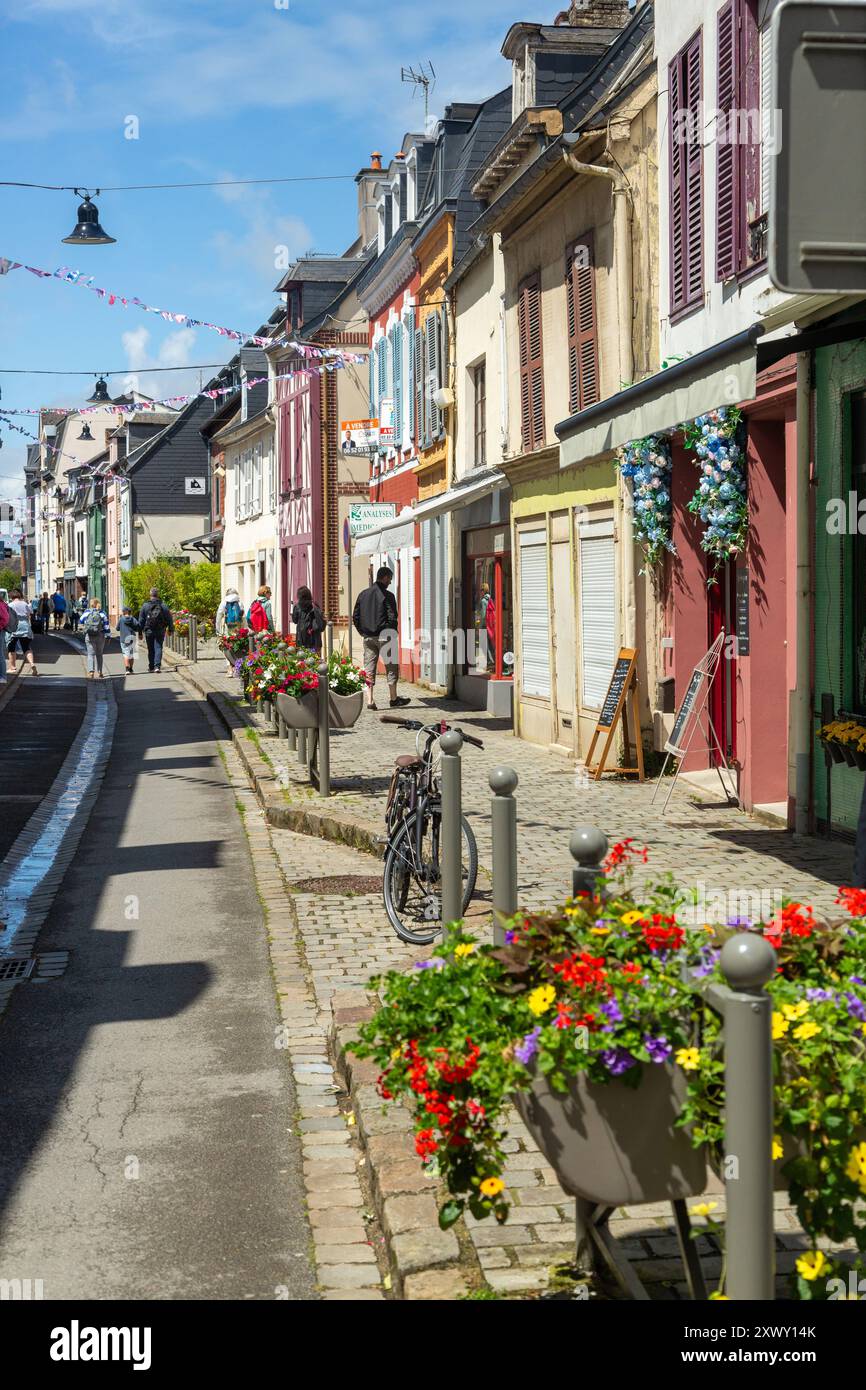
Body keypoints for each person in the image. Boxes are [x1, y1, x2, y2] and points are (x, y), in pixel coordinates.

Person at [352, 566, 410, 711]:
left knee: (369, 668)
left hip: (368, 637)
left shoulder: (362, 594)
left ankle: (370, 700)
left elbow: (355, 616)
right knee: (391, 666)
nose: (390, 582)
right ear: (384, 577)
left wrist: (363, 632)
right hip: (385, 636)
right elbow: (392, 616)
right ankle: (393, 698)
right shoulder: (388, 596)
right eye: (389, 578)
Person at [138, 587, 174, 673]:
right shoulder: (163, 605)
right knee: (158, 647)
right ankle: (157, 666)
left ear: (150, 594)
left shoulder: (145, 605)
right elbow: (169, 618)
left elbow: (141, 620)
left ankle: (151, 667)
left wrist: (140, 632)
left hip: (148, 630)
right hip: (160, 630)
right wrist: (170, 629)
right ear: (158, 595)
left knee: (150, 649)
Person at [216, 586, 244, 671]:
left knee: (227, 646)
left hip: (228, 628)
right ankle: (236, 665)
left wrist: (218, 631)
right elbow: (243, 616)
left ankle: (229, 667)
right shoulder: (239, 602)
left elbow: (219, 616)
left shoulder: (224, 602)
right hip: (238, 628)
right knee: (236, 646)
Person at [80, 597, 109, 679]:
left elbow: (81, 620)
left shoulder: (87, 612)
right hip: (100, 635)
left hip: (89, 635)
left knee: (90, 654)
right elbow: (106, 624)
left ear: (91, 604)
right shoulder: (102, 613)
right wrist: (108, 635)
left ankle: (91, 672)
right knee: (99, 654)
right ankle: (100, 672)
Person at [292, 586, 326, 654]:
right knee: (315, 661)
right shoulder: (315, 605)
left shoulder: (297, 607)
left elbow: (295, 620)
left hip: (301, 640)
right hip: (315, 640)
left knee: (302, 662)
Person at [117, 606, 140, 675]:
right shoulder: (133, 618)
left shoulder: (121, 619)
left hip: (124, 638)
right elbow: (138, 625)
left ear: (124, 612)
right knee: (132, 654)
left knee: (126, 654)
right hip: (132, 637)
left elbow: (117, 628)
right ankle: (131, 669)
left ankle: (127, 669)